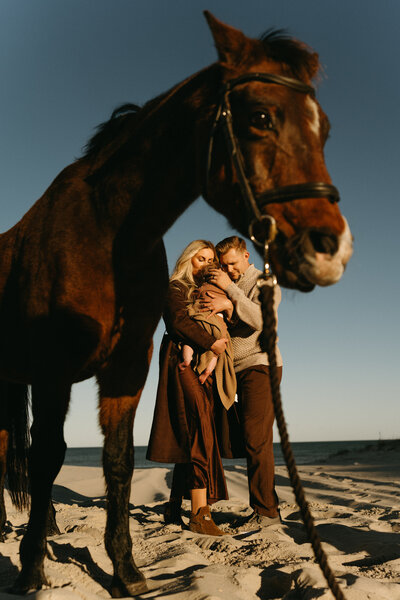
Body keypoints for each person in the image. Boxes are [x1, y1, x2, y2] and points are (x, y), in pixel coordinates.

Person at [146, 240, 234, 536]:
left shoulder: (202, 291)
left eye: (210, 260)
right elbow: (177, 321)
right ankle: (199, 513)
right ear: (188, 260)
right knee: (199, 428)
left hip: (198, 363)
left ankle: (173, 506)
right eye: (201, 258)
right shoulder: (175, 287)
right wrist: (212, 343)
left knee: (195, 429)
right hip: (179, 363)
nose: (205, 264)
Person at [201, 235, 283, 529]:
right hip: (230, 371)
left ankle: (267, 512)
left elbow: (264, 320)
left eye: (233, 264)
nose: (229, 270)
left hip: (261, 364)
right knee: (230, 437)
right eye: (224, 266)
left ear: (247, 256)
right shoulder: (228, 283)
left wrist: (229, 293)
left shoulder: (264, 283)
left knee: (256, 438)